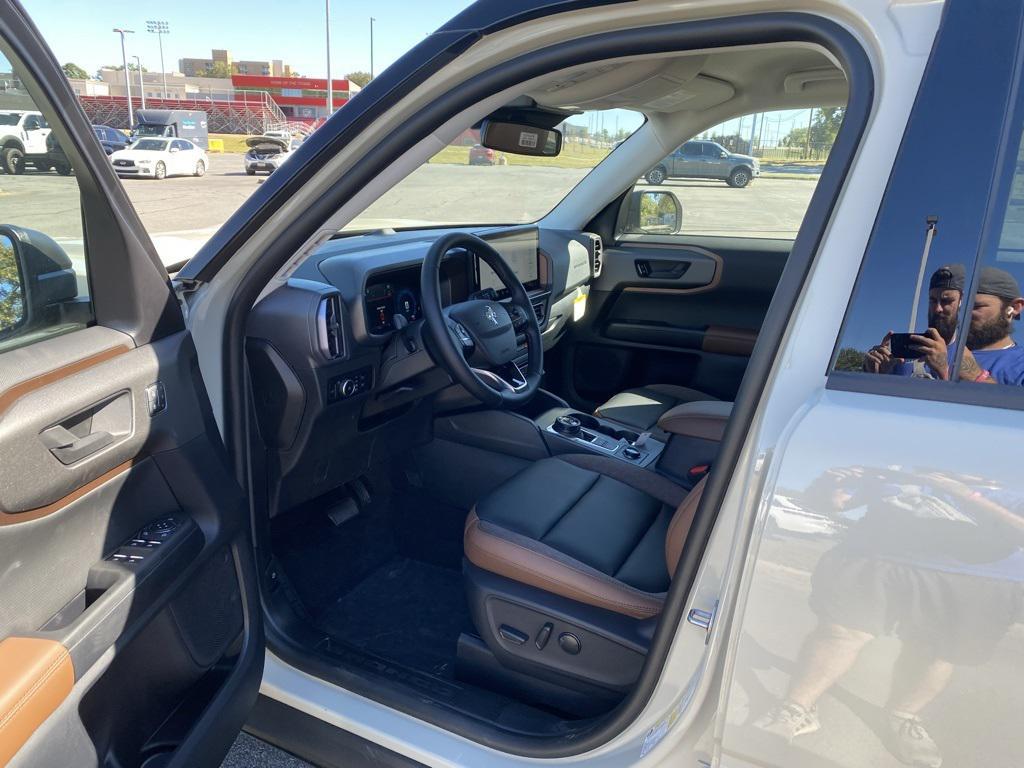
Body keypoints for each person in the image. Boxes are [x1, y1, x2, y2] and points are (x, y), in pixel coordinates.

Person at [862, 265, 1024, 384]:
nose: (964, 313)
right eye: (932, 301)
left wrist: (975, 377)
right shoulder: (917, 355)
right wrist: (876, 376)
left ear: (1015, 308)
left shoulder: (1019, 365)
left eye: (976, 307)